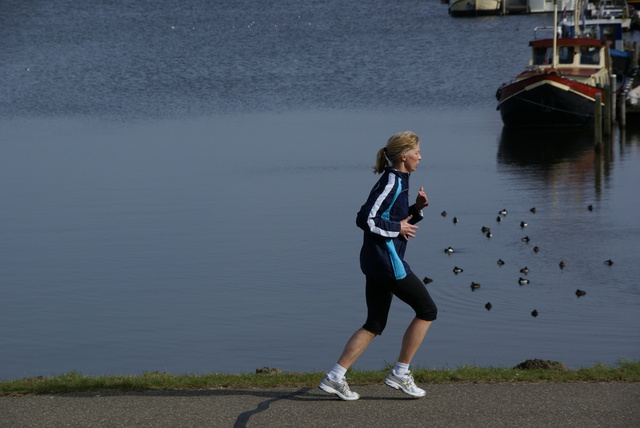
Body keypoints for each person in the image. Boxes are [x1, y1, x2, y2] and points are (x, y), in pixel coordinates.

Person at [318, 131, 437, 401]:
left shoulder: (398, 181)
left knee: (374, 323)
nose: (421, 156)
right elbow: (366, 219)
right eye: (417, 151)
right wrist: (398, 227)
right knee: (427, 310)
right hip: (387, 263)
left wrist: (415, 211)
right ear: (404, 155)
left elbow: (389, 220)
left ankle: (335, 377)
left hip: (376, 262)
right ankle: (400, 372)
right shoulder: (392, 183)